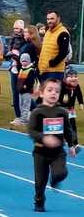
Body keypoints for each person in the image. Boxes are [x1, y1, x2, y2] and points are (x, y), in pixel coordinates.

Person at [28, 78, 77, 212]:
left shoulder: (62, 112)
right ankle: (39, 201)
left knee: (61, 172)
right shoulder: (37, 112)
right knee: (40, 181)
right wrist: (44, 138)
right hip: (40, 152)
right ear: (42, 93)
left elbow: (68, 130)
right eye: (50, 90)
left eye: (57, 91)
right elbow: (31, 131)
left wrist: (71, 145)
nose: (53, 93)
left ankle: (55, 179)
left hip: (58, 152)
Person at [39, 10, 70, 82]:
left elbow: (63, 53)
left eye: (52, 18)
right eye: (48, 19)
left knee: (52, 93)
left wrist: (52, 63)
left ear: (58, 19)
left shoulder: (63, 33)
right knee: (44, 93)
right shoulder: (48, 32)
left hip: (55, 72)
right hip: (44, 70)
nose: (49, 21)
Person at [58, 69, 83, 147]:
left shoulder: (76, 86)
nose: (73, 78)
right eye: (71, 76)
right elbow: (58, 95)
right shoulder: (62, 85)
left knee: (72, 126)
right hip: (61, 108)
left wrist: (81, 103)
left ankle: (75, 143)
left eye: (75, 76)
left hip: (70, 109)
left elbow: (79, 94)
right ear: (66, 77)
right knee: (60, 125)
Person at [7, 20, 26, 122]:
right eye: (14, 28)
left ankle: (33, 109)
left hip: (22, 71)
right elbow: (8, 53)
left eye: (17, 28)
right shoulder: (12, 39)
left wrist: (13, 55)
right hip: (13, 69)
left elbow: (24, 59)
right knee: (15, 93)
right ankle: (18, 116)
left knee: (24, 94)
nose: (15, 30)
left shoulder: (26, 41)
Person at [13, 53, 37, 126]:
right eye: (22, 61)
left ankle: (24, 121)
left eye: (26, 61)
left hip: (27, 92)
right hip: (20, 91)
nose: (24, 62)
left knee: (26, 106)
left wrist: (26, 86)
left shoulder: (31, 70)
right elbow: (19, 79)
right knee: (21, 105)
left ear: (29, 61)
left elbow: (31, 81)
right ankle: (22, 118)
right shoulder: (21, 69)